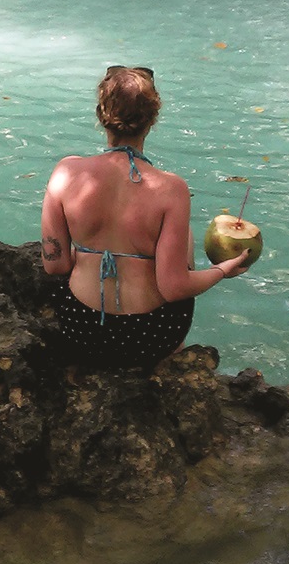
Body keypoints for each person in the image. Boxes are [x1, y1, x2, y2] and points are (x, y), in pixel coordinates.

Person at [40, 66, 252, 368]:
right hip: (151, 336)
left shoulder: (65, 172)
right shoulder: (171, 188)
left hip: (81, 328)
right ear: (152, 120)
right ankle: (171, 361)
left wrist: (94, 250)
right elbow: (173, 287)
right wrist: (222, 270)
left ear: (102, 116)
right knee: (184, 236)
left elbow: (55, 264)